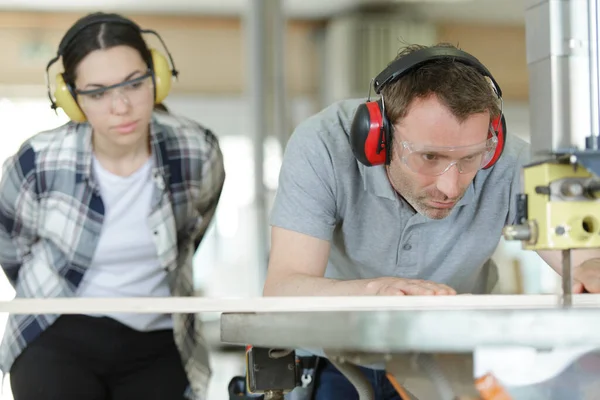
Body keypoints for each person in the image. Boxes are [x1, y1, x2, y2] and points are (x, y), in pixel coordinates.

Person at [263, 43, 600, 399]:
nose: (450, 186)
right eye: (429, 157)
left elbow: (584, 258)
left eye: (470, 158)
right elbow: (283, 288)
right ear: (378, 137)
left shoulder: (510, 160)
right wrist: (375, 291)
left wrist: (591, 269)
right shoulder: (323, 145)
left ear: (492, 142)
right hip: (334, 355)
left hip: (449, 355)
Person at [0, 12, 225, 400]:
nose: (121, 106)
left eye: (134, 83)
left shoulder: (197, 149)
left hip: (159, 337)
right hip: (56, 331)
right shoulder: (38, 161)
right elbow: (10, 245)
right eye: (98, 92)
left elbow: (193, 230)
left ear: (157, 77)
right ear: (71, 99)